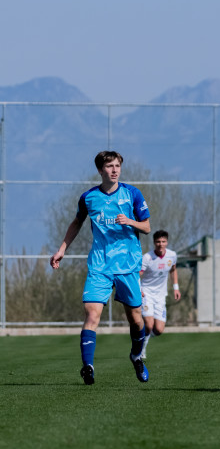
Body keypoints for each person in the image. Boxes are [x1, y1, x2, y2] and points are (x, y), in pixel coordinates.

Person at [50, 151, 152, 385]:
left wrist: (130, 221)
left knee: (136, 319)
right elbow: (77, 222)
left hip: (127, 266)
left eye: (117, 166)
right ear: (100, 170)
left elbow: (147, 227)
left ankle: (136, 356)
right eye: (109, 166)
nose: (114, 170)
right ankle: (88, 366)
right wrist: (62, 249)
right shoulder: (89, 198)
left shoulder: (132, 194)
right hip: (100, 266)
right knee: (92, 314)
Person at [139, 230, 181, 359]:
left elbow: (173, 270)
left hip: (161, 295)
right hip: (146, 293)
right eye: (158, 242)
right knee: (149, 325)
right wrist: (139, 289)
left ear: (167, 242)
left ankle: (144, 337)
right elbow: (138, 274)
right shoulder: (147, 257)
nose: (160, 244)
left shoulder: (172, 255)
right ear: (154, 242)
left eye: (163, 241)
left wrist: (176, 288)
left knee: (158, 330)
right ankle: (141, 349)